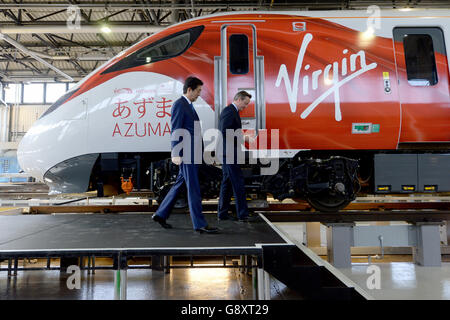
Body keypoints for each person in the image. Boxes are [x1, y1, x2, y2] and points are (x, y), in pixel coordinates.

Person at [152, 76, 219, 234]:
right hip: (187, 154)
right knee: (193, 188)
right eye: (198, 91)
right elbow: (176, 129)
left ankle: (161, 214)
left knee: (179, 185)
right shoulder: (180, 105)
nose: (199, 94)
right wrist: (176, 152)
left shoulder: (188, 105)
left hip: (193, 153)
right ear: (189, 89)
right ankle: (199, 224)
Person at [217, 90, 255, 222]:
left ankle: (222, 213)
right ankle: (242, 214)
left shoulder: (233, 111)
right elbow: (224, 131)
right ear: (238, 99)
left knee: (227, 183)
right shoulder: (229, 111)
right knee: (238, 182)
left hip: (228, 152)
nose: (245, 106)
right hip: (229, 153)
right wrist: (244, 137)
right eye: (245, 103)